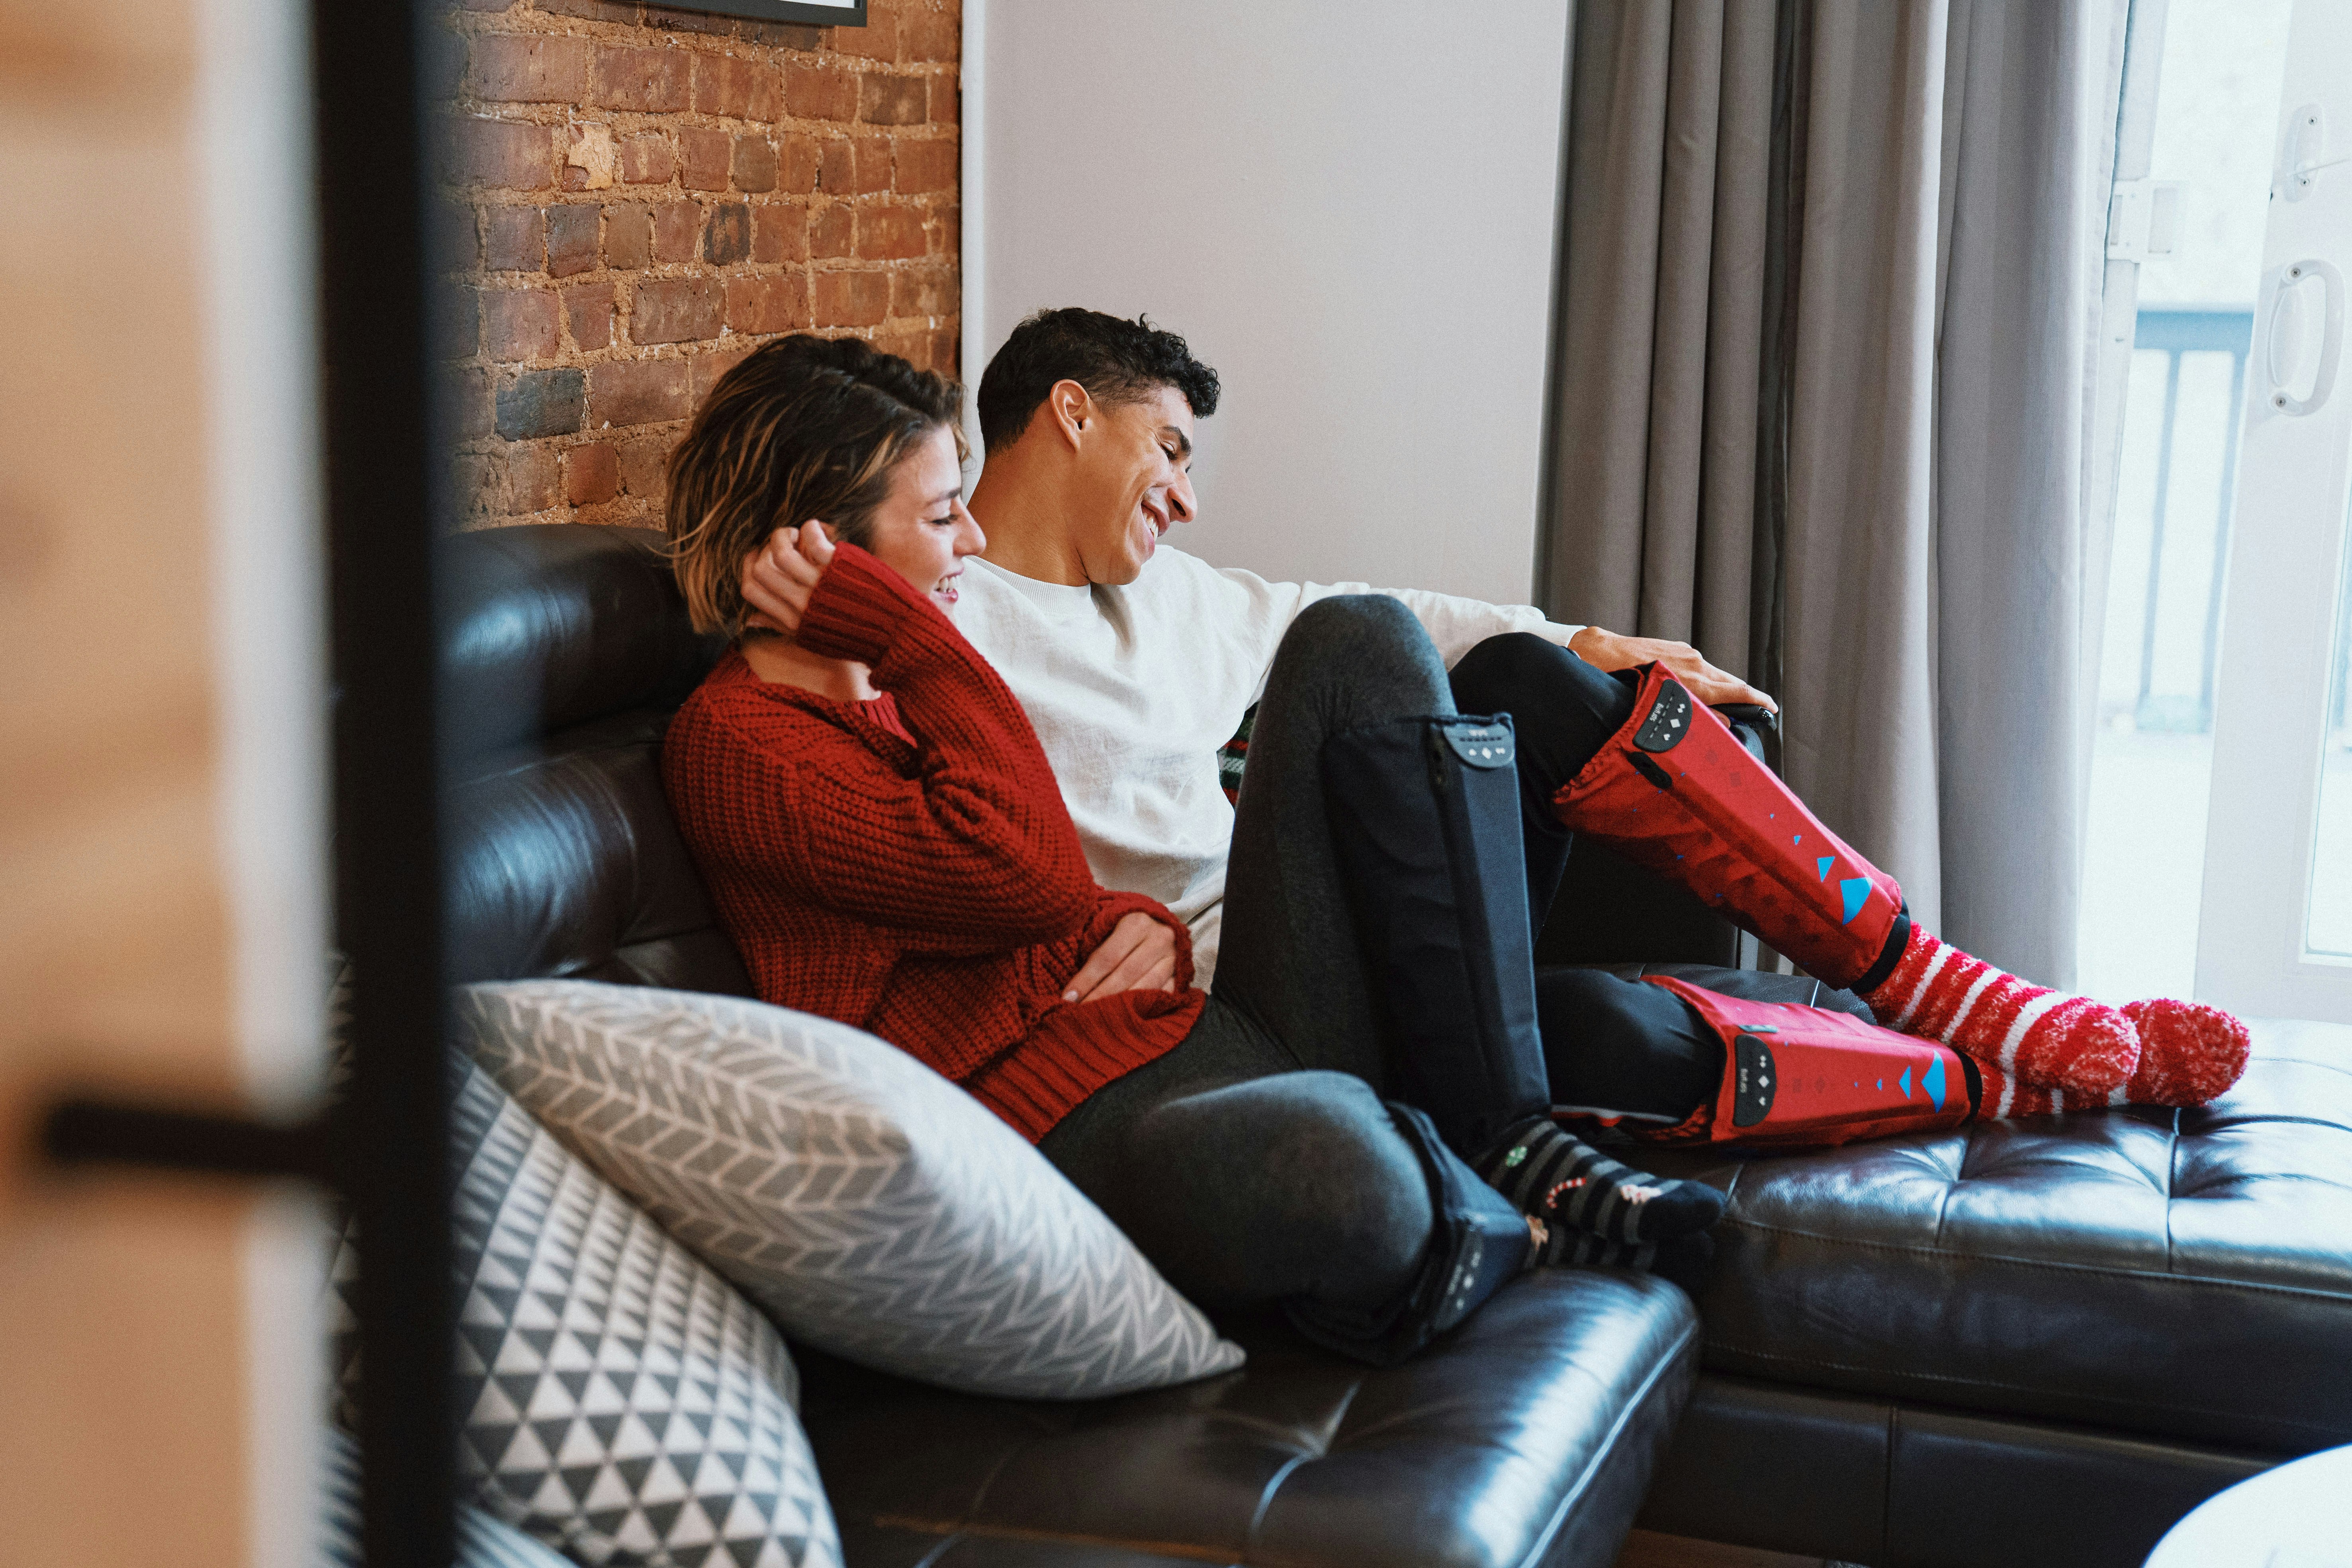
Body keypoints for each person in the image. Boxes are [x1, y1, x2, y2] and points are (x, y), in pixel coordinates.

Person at [739, 309, 2252, 1120]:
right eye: (1167, 444)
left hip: (1364, 950)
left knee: (1512, 674)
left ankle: (1968, 1024)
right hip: (1234, 997)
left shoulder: (1188, 598)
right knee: (1609, 1032)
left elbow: (1408, 620)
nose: (1186, 492)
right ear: (1069, 410)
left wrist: (1599, 637)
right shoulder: (942, 621)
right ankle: (1975, 1046)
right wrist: (1108, 939)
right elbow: (970, 863)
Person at [657, 335, 1732, 1372]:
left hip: (1195, 1029)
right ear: (822, 548)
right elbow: (1020, 873)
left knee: (1360, 641)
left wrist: (1142, 922)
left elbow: (1057, 894)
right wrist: (912, 637)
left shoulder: (894, 690)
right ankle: (1478, 1184)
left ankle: (1501, 1145)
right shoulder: (746, 746)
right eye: (943, 516)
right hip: (1044, 1126)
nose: (973, 542)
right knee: (1344, 1175)